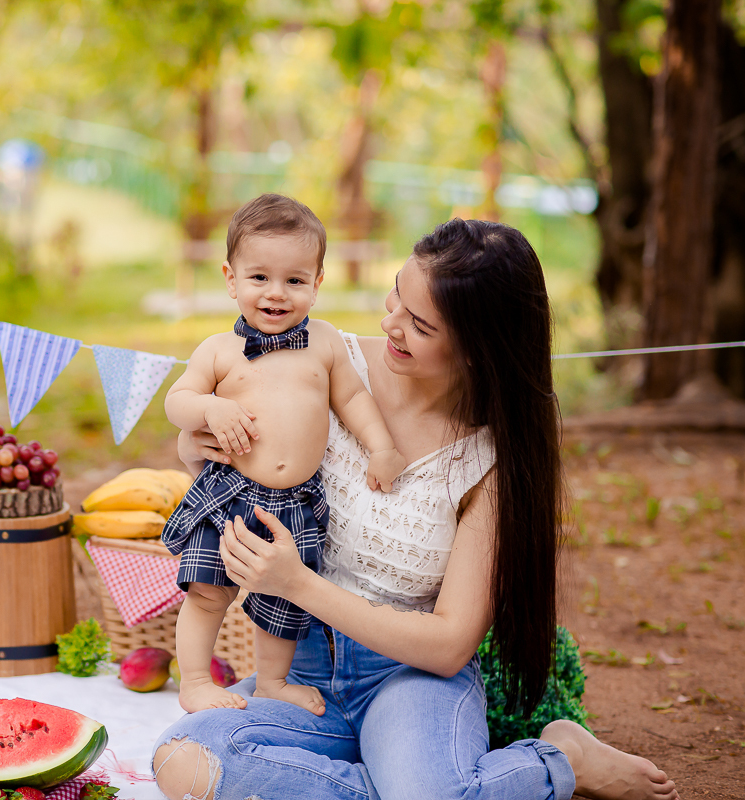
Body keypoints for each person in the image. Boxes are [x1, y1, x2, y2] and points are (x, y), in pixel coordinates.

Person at [152, 218, 679, 800]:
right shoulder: (326, 363)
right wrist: (195, 442)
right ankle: (404, 781)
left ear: (479, 347)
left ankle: (562, 761)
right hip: (301, 674)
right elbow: (231, 453)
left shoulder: (489, 458)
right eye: (396, 295)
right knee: (186, 758)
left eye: (420, 325)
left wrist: (297, 584)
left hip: (409, 677)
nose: (390, 325)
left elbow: (450, 644)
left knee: (422, 792)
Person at [162, 194, 406, 717]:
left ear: (318, 283)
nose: (277, 293)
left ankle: (272, 681)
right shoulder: (216, 350)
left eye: (295, 280)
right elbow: (175, 402)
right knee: (207, 593)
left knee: (285, 604)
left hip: (293, 502)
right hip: (229, 494)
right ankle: (197, 681)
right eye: (259, 278)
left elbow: (354, 399)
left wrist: (382, 447)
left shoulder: (326, 343)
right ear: (231, 279)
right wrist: (207, 408)